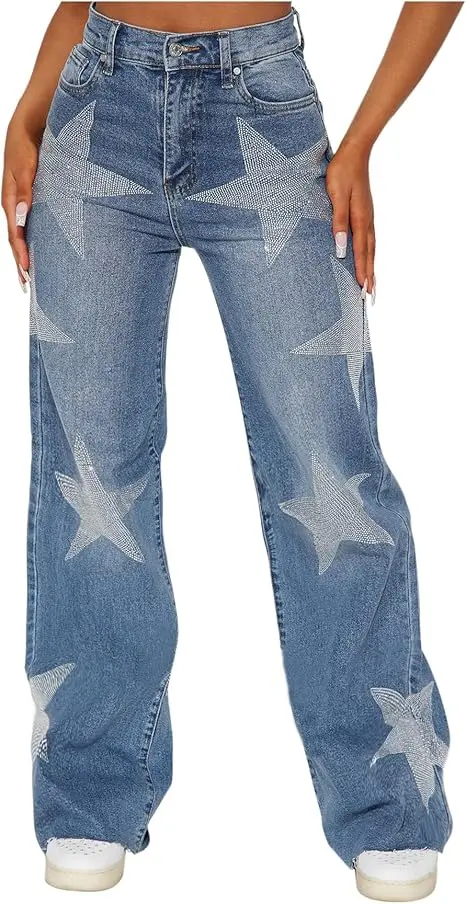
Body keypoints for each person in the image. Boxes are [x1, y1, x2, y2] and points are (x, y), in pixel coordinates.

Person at [2, 1, 462, 897]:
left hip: (263, 112)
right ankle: (90, 793)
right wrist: (27, 113)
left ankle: (386, 804)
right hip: (94, 110)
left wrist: (362, 144)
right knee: (88, 472)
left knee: (330, 463)